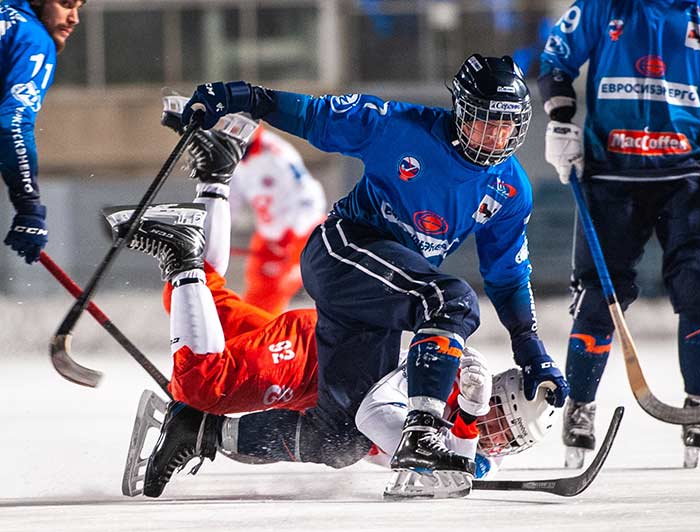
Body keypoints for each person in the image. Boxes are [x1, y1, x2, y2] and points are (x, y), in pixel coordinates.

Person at [174, 53, 570, 498]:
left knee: (340, 439)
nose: (495, 136)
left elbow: (508, 275)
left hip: (380, 297)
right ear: (461, 111)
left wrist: (529, 345)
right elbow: (316, 117)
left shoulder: (510, 189)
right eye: (485, 121)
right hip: (342, 250)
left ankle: (197, 430)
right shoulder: (400, 127)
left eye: (507, 125)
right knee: (450, 300)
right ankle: (422, 433)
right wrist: (241, 96)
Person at [537, 0, 700, 468]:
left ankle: (698, 406)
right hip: (612, 174)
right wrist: (560, 119)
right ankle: (581, 406)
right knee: (599, 297)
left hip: (688, 176)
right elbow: (555, 58)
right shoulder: (601, 7)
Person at [1, 0, 84, 264]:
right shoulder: (32, 37)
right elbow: (12, 122)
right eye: (66, 4)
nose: (74, 18)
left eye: (79, 7)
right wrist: (28, 207)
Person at [229, 125, 326, 314]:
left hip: (297, 235)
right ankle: (250, 335)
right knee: (258, 290)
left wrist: (295, 236)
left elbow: (310, 195)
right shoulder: (233, 155)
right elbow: (229, 199)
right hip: (269, 235)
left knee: (282, 286)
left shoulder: (276, 154)